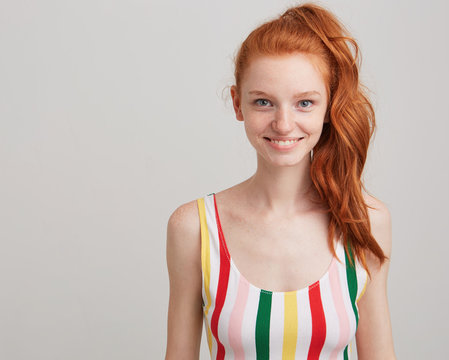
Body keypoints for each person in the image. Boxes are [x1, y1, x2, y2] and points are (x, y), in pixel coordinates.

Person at [165, 3, 396, 359]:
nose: (284, 124)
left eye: (304, 103)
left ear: (328, 106)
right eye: (264, 102)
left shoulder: (363, 221)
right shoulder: (194, 227)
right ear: (238, 103)